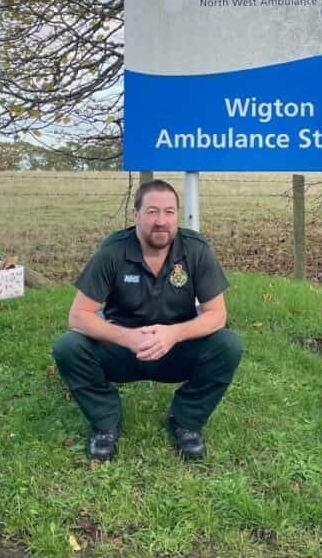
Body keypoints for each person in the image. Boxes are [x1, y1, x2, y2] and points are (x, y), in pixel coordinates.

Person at [53, 179, 243, 462]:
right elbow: (78, 316)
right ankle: (105, 423)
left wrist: (173, 334)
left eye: (169, 212)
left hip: (175, 349)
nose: (161, 221)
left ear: (177, 215)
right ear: (136, 215)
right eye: (152, 211)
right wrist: (128, 337)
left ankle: (186, 422)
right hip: (123, 349)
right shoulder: (113, 251)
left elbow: (217, 314)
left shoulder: (196, 250)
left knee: (228, 344)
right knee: (68, 347)